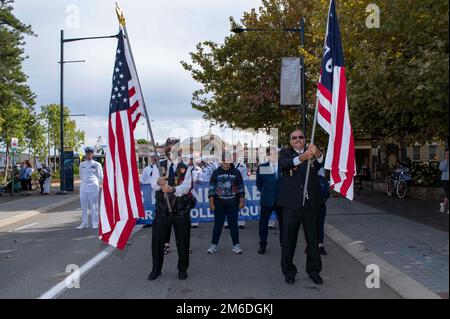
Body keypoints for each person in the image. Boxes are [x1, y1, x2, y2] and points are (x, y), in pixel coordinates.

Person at [277, 129, 324, 285]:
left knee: (313, 240)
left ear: (305, 139)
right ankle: (289, 272)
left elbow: (322, 163)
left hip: (311, 205)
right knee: (288, 240)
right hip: (291, 205)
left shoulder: (311, 150)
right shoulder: (285, 152)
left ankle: (314, 271)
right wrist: (302, 157)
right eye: (294, 137)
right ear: (290, 141)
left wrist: (316, 153)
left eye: (300, 137)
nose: (297, 139)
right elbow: (285, 165)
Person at [148, 138, 197, 281]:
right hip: (162, 210)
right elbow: (153, 184)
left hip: (180, 210)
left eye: (174, 147)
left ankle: (182, 269)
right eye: (169, 147)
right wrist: (159, 181)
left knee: (183, 241)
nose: (171, 150)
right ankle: (156, 269)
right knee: (157, 242)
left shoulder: (186, 167)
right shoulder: (159, 165)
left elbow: (186, 187)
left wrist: (173, 189)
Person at [207, 151, 245, 255]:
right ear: (221, 161)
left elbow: (241, 187)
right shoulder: (216, 172)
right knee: (218, 225)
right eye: (225, 161)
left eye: (229, 161)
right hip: (219, 203)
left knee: (233, 224)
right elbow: (211, 188)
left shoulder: (236, 172)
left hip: (233, 203)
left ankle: (236, 245)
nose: (227, 163)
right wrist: (211, 203)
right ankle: (214, 245)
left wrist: (242, 201)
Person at [256, 147, 283, 254]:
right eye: (270, 154)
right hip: (266, 200)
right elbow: (259, 183)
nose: (273, 156)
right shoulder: (263, 167)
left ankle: (283, 244)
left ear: (278, 155)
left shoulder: (283, 167)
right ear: (268, 155)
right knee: (263, 224)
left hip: (281, 201)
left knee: (283, 224)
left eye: (275, 154)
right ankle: (262, 244)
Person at [77, 146, 103, 230]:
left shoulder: (96, 164)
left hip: (93, 186)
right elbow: (81, 175)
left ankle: (95, 223)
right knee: (83, 205)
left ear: (92, 154)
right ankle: (84, 223)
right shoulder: (82, 164)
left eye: (89, 153)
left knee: (94, 205)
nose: (88, 155)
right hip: (84, 187)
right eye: (87, 153)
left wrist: (99, 185)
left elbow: (100, 176)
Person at [225, 161, 247, 229]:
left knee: (240, 205)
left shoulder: (242, 166)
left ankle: (241, 222)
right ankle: (228, 222)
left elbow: (245, 178)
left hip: (239, 187)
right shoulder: (226, 164)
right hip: (228, 188)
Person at [439, 149, 449, 214]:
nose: (448, 155)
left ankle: (443, 205)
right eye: (447, 153)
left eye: (449, 153)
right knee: (448, 194)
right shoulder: (443, 161)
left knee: (448, 194)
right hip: (445, 180)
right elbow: (442, 169)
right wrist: (446, 160)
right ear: (445, 154)